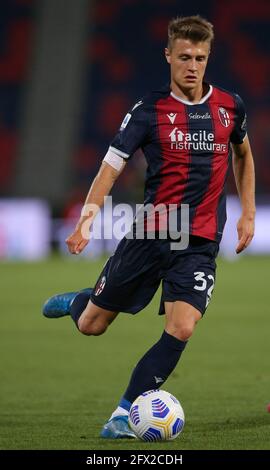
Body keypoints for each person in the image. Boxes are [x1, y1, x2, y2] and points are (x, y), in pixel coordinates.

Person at [43, 15, 255, 439]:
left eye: (199, 57)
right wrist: (86, 220)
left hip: (200, 238)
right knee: (93, 325)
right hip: (155, 229)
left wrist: (247, 211)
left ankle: (122, 414)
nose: (192, 66)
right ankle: (81, 303)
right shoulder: (148, 111)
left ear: (208, 57)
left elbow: (243, 155)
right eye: (183, 57)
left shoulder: (229, 106)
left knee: (182, 327)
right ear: (168, 56)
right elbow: (109, 169)